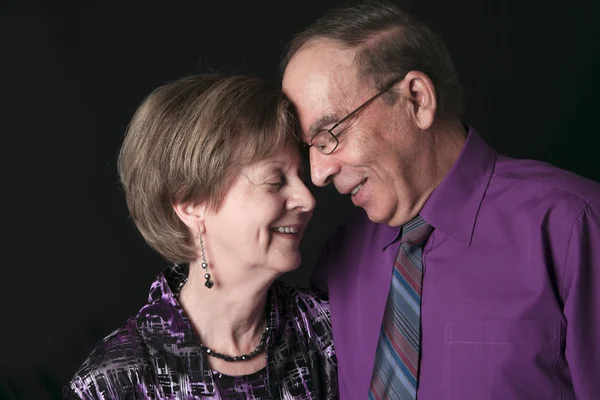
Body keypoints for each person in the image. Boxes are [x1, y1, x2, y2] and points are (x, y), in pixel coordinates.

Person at [281, 1, 600, 399]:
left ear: (416, 99)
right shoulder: (339, 259)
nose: (317, 174)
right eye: (309, 147)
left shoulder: (573, 226)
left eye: (330, 135)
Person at [63, 73, 338, 399]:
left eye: (299, 176)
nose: (307, 199)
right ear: (191, 205)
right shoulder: (111, 384)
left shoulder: (328, 330)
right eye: (275, 181)